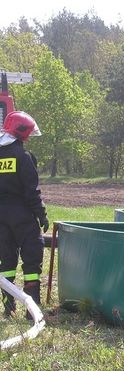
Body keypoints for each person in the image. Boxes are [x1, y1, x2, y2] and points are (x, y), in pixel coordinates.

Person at [0, 111, 48, 318]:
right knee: (31, 260)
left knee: (6, 261)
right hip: (22, 217)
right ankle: (32, 310)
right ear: (22, 133)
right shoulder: (23, 157)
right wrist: (42, 215)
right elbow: (32, 191)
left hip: (1, 217)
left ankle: (7, 308)